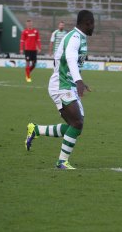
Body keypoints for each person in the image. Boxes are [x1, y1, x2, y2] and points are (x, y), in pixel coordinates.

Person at [25, 10, 95, 170]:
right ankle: (62, 162)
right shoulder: (74, 38)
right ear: (88, 23)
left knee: (75, 125)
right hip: (61, 85)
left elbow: (72, 63)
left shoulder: (80, 38)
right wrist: (78, 81)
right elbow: (70, 58)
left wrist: (79, 82)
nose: (94, 27)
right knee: (77, 122)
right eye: (93, 24)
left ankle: (35, 129)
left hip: (67, 84)